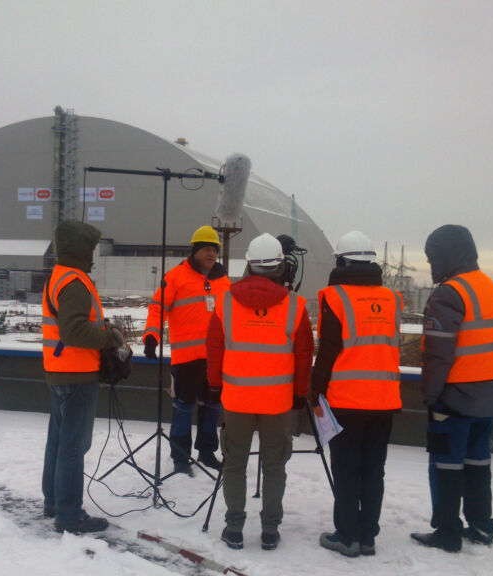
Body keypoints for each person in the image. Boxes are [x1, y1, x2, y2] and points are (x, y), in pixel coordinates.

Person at [206, 233, 313, 550]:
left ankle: (234, 528)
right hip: (278, 402)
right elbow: (304, 355)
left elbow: (214, 349)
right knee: (274, 465)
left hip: (236, 400)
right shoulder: (295, 306)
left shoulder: (225, 302)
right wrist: (299, 393)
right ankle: (270, 530)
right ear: (282, 267)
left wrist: (214, 385)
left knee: (234, 464)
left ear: (249, 266)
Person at [411, 225, 493, 553]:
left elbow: (438, 354)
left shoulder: (449, 293)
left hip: (455, 397)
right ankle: (481, 525)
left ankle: (447, 532)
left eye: (433, 258)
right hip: (490, 395)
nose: (431, 265)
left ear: (448, 255)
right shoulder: (487, 286)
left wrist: (430, 395)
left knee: (445, 463)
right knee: (478, 461)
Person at [310, 231, 403, 557]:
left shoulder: (334, 297)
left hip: (347, 400)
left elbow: (329, 350)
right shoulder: (392, 299)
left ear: (341, 261)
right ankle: (367, 536)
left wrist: (314, 390)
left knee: (347, 469)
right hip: (385, 399)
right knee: (373, 469)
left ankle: (347, 536)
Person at [42, 220, 124, 534]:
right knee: (73, 448)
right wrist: (109, 336)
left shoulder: (59, 277)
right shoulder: (75, 282)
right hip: (76, 375)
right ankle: (69, 514)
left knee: (59, 443)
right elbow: (73, 329)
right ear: (80, 249)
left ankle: (54, 502)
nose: (94, 254)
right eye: (91, 248)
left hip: (60, 371)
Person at [142, 225, 230, 475]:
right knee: (183, 407)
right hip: (187, 359)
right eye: (206, 249)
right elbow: (158, 307)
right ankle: (180, 456)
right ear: (195, 251)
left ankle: (206, 452)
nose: (211, 254)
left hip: (216, 360)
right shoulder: (176, 277)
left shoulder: (224, 282)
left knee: (213, 407)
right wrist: (151, 336)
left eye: (214, 250)